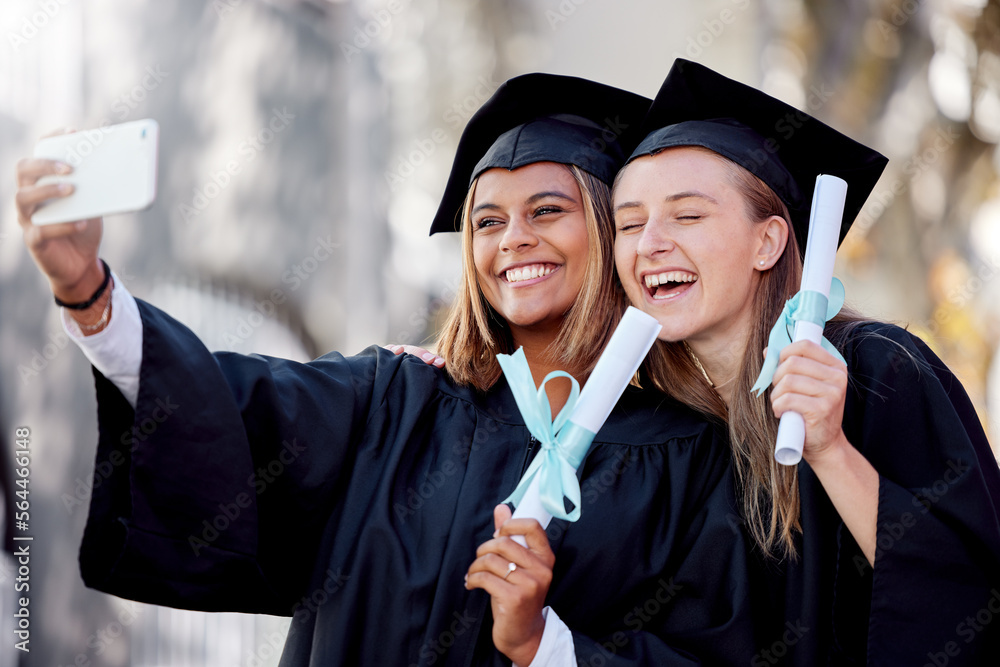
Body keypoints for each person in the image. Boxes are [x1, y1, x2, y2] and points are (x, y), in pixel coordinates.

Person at [18, 73, 759, 665]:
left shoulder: (688, 458)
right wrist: (88, 291)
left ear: (605, 227)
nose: (513, 241)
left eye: (546, 210)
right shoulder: (395, 401)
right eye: (488, 221)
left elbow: (712, 649)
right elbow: (227, 402)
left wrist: (544, 645)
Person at [612, 58, 1000, 665]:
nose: (650, 242)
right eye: (628, 223)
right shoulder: (661, 428)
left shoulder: (879, 369)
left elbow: (968, 591)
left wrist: (830, 449)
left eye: (687, 215)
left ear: (768, 242)